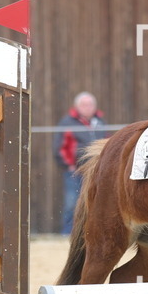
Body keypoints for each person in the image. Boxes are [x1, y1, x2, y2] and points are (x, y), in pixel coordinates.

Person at [54, 92, 107, 234]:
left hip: (96, 171)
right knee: (72, 203)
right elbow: (60, 147)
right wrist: (69, 165)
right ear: (77, 106)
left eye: (90, 104)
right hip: (75, 171)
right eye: (84, 105)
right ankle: (67, 233)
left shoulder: (100, 122)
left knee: (96, 202)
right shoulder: (68, 122)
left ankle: (91, 233)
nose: (88, 107)